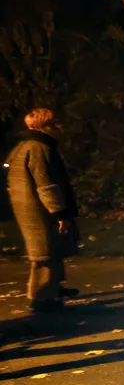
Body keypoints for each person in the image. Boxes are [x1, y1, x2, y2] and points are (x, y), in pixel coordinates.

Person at [5, 108, 80, 312]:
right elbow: (46, 184)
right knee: (45, 253)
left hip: (27, 205)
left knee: (49, 249)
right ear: (44, 126)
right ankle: (42, 297)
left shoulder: (23, 146)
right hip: (39, 208)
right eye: (54, 123)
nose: (59, 127)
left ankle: (53, 288)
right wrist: (59, 212)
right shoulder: (39, 148)